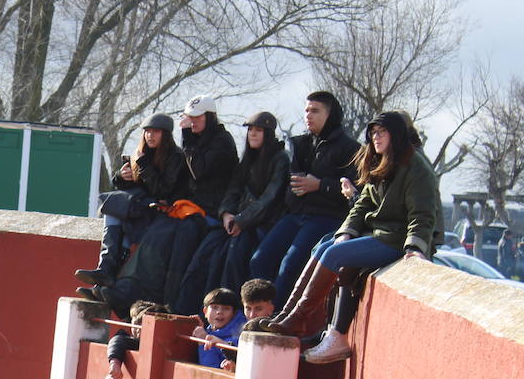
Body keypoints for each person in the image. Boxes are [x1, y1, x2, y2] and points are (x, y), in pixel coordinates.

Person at [254, 111, 439, 365]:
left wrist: (415, 247)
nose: (375, 137)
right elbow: (362, 204)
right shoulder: (380, 161)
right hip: (376, 232)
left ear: (396, 134)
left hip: (396, 238)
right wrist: (347, 232)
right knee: (324, 246)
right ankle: (286, 315)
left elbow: (423, 214)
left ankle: (297, 320)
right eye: (373, 133)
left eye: (381, 132)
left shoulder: (415, 166)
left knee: (334, 254)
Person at [248, 91, 361, 301]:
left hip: (327, 217)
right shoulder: (299, 144)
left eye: (315, 111)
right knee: (259, 260)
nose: (308, 115)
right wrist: (298, 188)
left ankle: (276, 319)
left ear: (330, 115)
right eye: (307, 110)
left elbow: (355, 192)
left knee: (290, 265)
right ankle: (259, 309)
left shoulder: (351, 149)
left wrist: (319, 185)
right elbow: (290, 181)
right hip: (296, 214)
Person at [176, 111, 288, 314]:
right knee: (207, 252)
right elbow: (233, 189)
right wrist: (227, 214)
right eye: (251, 129)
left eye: (259, 130)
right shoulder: (248, 159)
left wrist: (241, 222)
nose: (253, 134)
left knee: (234, 254)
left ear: (269, 133)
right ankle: (198, 312)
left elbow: (269, 199)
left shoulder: (280, 159)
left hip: (262, 225)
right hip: (236, 221)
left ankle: (232, 312)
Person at [75, 113, 194, 292]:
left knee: (118, 212)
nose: (150, 136)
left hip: (159, 212)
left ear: (166, 134)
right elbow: (125, 185)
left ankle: (104, 280)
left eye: (156, 132)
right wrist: (121, 176)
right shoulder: (141, 154)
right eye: (147, 131)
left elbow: (162, 190)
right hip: (138, 207)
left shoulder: (175, 157)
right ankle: (103, 275)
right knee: (113, 210)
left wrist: (143, 164)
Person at [179, 95, 239, 224]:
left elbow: (198, 171)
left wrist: (187, 139)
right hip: (195, 203)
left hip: (214, 208)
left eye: (197, 116)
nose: (191, 121)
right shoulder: (197, 139)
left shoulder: (222, 140)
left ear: (210, 117)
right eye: (189, 117)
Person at [106, 300, 168, 379]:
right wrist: (115, 362)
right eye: (136, 323)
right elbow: (118, 341)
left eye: (142, 322)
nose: (138, 327)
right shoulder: (132, 341)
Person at [191, 288, 245, 370]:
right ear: (205, 311)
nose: (219, 312)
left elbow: (210, 370)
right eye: (214, 307)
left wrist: (203, 342)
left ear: (234, 313)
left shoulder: (240, 337)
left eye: (226, 308)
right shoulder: (207, 331)